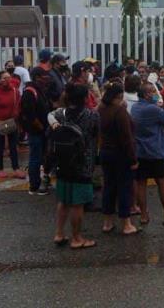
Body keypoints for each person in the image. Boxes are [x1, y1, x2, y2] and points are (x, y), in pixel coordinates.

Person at [48, 83, 99, 249]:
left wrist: (55, 125)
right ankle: (77, 238)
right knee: (78, 204)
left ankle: (59, 233)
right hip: (82, 164)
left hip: (62, 162)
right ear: (85, 98)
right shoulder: (91, 116)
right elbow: (97, 134)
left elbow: (49, 115)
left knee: (63, 200)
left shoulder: (61, 114)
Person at [131, 82, 164, 223]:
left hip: (140, 150)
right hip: (154, 150)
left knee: (141, 183)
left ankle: (144, 215)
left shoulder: (135, 107)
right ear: (146, 94)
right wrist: (159, 106)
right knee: (162, 181)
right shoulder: (153, 109)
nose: (155, 93)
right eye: (152, 91)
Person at [99, 82, 140, 234]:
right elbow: (126, 138)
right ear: (120, 96)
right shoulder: (119, 111)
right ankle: (126, 223)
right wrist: (133, 159)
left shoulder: (101, 110)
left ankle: (107, 222)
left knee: (109, 187)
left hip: (106, 152)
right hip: (121, 154)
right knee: (124, 188)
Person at [21, 67, 52, 195]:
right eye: (45, 76)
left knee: (43, 156)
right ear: (37, 77)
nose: (48, 78)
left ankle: (43, 181)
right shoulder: (30, 92)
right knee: (35, 158)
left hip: (44, 130)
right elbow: (30, 115)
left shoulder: (41, 90)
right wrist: (42, 128)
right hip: (36, 131)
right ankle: (34, 186)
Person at [0, 70, 23, 178]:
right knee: (0, 146)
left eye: (8, 77)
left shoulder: (15, 91)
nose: (7, 80)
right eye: (4, 78)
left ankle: (16, 168)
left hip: (11, 122)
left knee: (13, 146)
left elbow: (19, 104)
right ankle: (0, 169)